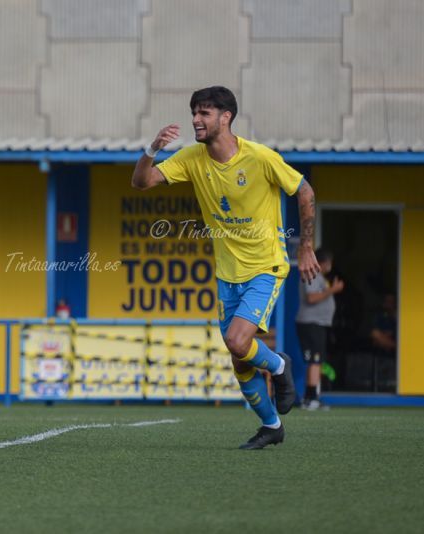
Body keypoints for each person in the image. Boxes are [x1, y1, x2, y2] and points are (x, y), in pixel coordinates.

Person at [131, 86, 320, 450]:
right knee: (239, 359)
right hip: (226, 273)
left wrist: (307, 247)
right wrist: (152, 149)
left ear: (225, 117)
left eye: (204, 113)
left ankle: (280, 366)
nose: (195, 120)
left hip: (265, 265)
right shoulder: (191, 158)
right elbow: (142, 182)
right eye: (194, 113)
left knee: (237, 341)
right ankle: (271, 426)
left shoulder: (260, 157)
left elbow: (305, 191)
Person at [296, 248, 343, 409]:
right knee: (315, 361)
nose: (330, 265)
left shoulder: (318, 276)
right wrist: (332, 290)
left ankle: (309, 398)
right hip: (311, 323)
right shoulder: (312, 273)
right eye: (329, 262)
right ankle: (312, 399)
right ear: (323, 262)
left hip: (317, 324)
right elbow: (311, 297)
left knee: (315, 361)